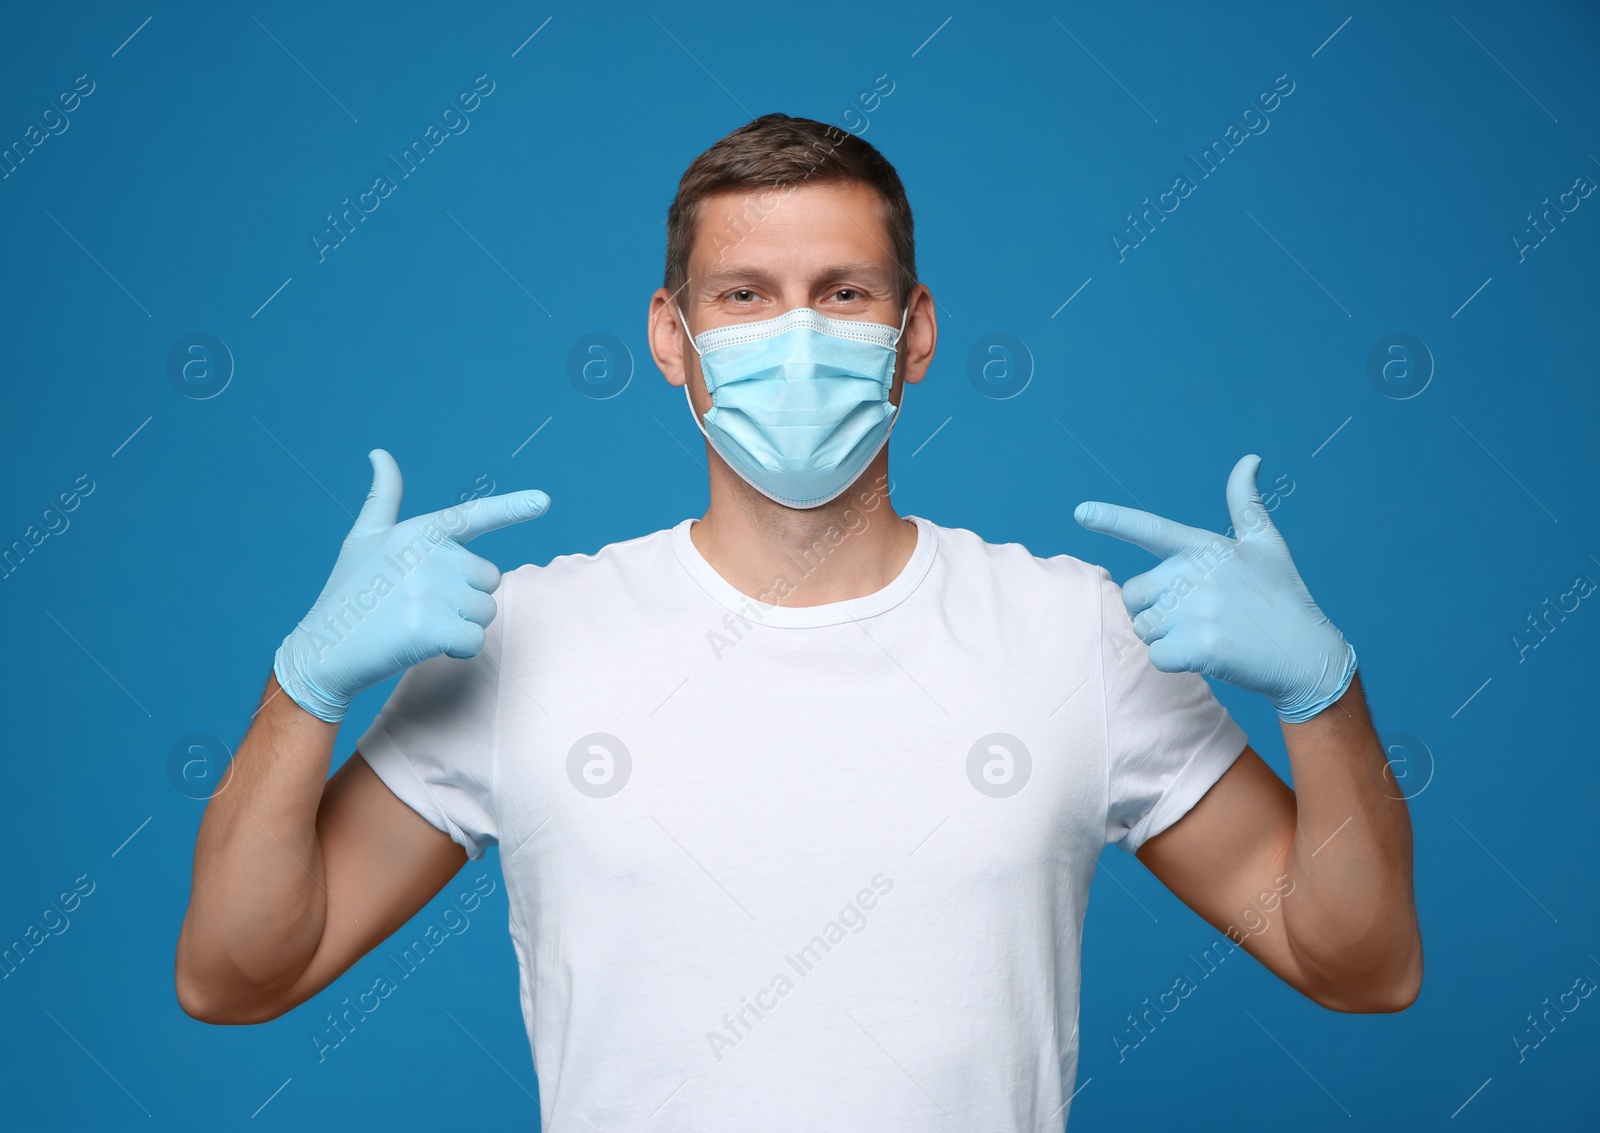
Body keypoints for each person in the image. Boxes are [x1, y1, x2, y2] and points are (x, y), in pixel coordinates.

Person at [175, 113, 1421, 1129]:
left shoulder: (1069, 633)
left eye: (842, 292)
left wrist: (1324, 695)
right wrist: (303, 687)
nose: (797, 336)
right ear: (673, 339)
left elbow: (1359, 964)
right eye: (742, 295)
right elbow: (239, 974)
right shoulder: (528, 637)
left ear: (913, 332)